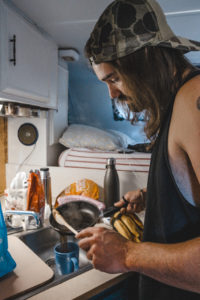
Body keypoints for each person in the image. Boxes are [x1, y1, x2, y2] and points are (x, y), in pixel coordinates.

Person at [76, 0, 200, 299]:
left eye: (115, 78)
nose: (112, 93)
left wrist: (127, 253)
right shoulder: (178, 103)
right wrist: (151, 197)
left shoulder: (194, 101)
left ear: (145, 59)